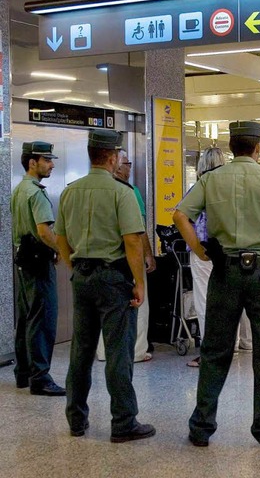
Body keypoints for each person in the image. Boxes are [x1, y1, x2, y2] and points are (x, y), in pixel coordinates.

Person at [173, 121, 260, 450]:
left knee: (215, 352)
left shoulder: (210, 179)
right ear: (258, 147)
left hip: (225, 272)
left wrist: (199, 250)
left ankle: (201, 427)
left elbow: (180, 215)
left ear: (232, 146)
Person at [55, 129, 155, 443]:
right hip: (114, 280)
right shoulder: (120, 191)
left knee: (81, 352)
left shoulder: (70, 191)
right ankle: (123, 422)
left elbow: (61, 239)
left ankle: (76, 419)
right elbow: (132, 241)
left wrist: (76, 268)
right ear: (112, 157)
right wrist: (139, 282)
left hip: (82, 278)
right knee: (118, 352)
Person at [185, 147, 252, 368]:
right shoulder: (234, 188)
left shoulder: (201, 187)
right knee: (237, 297)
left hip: (205, 251)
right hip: (232, 250)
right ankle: (245, 341)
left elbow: (181, 216)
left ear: (202, 166)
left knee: (206, 301)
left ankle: (210, 352)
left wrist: (195, 247)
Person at [11, 141, 66, 397]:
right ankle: (40, 377)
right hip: (38, 261)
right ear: (32, 163)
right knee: (42, 319)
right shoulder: (35, 192)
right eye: (47, 160)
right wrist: (62, 250)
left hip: (23, 259)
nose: (52, 164)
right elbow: (44, 231)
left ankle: (23, 372)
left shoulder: (19, 189)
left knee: (26, 317)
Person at [96, 150, 155, 363]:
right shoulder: (129, 191)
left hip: (100, 261)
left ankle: (103, 352)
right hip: (128, 256)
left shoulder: (94, 190)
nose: (130, 167)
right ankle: (137, 350)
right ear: (117, 165)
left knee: (106, 310)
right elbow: (138, 231)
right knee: (139, 302)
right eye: (128, 163)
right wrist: (148, 255)